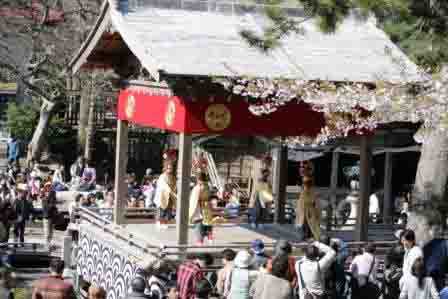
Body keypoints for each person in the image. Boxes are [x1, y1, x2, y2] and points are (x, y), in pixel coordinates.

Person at [296, 161, 320, 240]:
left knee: (308, 221)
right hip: (305, 202)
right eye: (300, 167)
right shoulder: (305, 179)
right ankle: (306, 236)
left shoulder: (308, 179)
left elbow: (310, 193)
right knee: (304, 222)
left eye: (302, 167)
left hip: (308, 203)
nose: (300, 169)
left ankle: (308, 236)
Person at [189, 172, 214, 245]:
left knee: (199, 224)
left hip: (199, 207)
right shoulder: (208, 186)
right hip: (207, 206)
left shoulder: (199, 187)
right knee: (207, 223)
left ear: (198, 179)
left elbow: (194, 198)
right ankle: (209, 237)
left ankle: (200, 240)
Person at [154, 160, 176, 230]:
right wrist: (170, 190)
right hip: (162, 195)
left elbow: (174, 185)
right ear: (165, 168)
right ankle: (159, 222)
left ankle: (165, 222)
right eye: (168, 168)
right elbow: (163, 185)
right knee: (162, 210)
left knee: (168, 210)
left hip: (170, 196)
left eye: (171, 168)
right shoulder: (162, 176)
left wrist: (173, 191)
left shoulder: (173, 177)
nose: (170, 169)